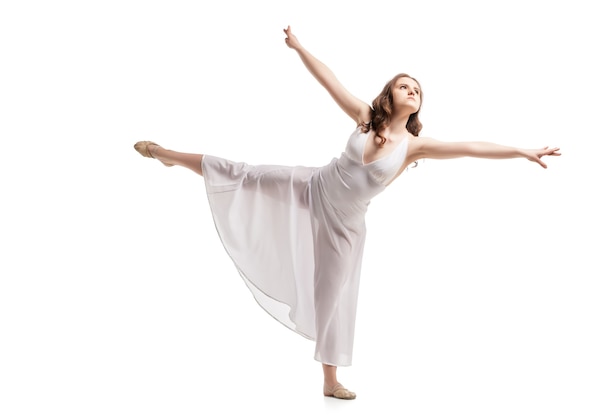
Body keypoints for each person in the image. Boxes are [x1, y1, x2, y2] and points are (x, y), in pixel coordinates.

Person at [133, 25, 560, 400]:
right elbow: (329, 81)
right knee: (247, 173)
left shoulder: (414, 148)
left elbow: (472, 148)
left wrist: (521, 151)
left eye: (418, 89)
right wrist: (299, 47)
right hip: (313, 186)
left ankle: (329, 381)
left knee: (332, 299)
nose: (412, 90)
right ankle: (167, 154)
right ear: (388, 94)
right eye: (404, 85)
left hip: (346, 226)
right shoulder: (364, 118)